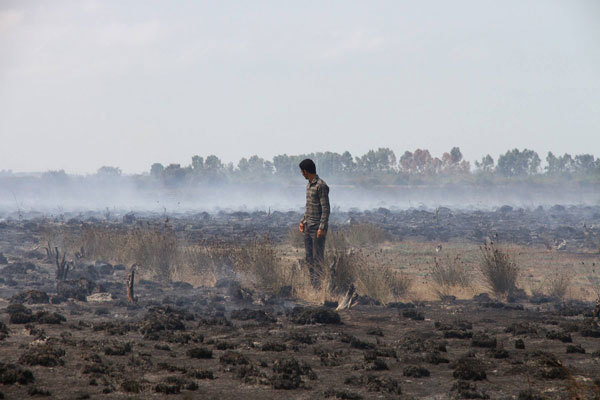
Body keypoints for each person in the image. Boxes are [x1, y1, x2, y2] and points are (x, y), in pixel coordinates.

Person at [298, 159, 330, 287]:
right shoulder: (309, 185)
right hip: (308, 227)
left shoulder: (321, 186)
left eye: (302, 171)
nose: (302, 174)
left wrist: (322, 227)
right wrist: (302, 221)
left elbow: (326, 209)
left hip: (317, 228)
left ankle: (319, 286)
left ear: (306, 171)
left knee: (318, 259)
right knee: (309, 258)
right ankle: (313, 285)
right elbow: (309, 206)